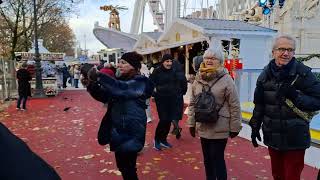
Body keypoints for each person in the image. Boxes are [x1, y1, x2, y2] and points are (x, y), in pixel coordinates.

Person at [249, 34, 320, 180]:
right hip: (272, 134)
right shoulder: (265, 74)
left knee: (291, 176)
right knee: (277, 175)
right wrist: (255, 126)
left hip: (296, 137)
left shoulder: (303, 73)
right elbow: (260, 104)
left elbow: (317, 101)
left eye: (290, 49)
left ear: (294, 53)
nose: (285, 53)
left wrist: (295, 96)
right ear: (273, 51)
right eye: (281, 49)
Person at [82, 51, 154, 180]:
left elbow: (122, 89)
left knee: (128, 168)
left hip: (131, 129)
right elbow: (105, 96)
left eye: (123, 63)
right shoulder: (120, 81)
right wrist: (91, 84)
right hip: (119, 129)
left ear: (133, 65)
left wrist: (99, 75)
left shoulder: (140, 82)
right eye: (119, 62)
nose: (119, 65)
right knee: (123, 167)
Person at [187, 47, 242, 180]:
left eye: (213, 58)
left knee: (217, 158)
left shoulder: (227, 79)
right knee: (207, 159)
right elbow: (193, 103)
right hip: (203, 124)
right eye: (207, 58)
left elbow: (234, 104)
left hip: (220, 125)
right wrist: (191, 123)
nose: (209, 60)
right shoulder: (198, 78)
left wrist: (235, 127)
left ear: (220, 61)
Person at [150, 54, 187, 150]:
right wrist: (154, 93)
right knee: (163, 119)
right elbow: (150, 84)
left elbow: (179, 82)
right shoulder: (157, 71)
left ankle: (163, 140)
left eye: (170, 61)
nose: (169, 63)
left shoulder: (174, 71)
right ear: (163, 62)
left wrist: (179, 92)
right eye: (167, 61)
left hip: (172, 99)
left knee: (169, 119)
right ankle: (156, 140)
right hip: (161, 99)